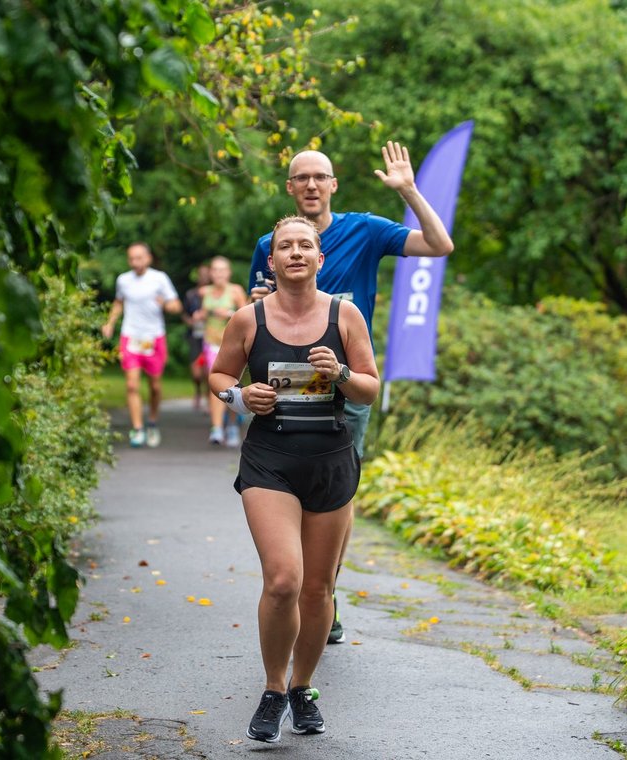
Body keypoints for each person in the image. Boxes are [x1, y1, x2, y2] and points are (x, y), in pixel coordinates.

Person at [248, 140, 454, 644]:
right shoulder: (269, 243)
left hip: (341, 380)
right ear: (291, 187)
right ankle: (296, 582)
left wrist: (409, 191)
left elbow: (439, 245)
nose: (312, 184)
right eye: (302, 178)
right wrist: (256, 300)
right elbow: (253, 308)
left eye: (321, 176)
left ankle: (322, 593)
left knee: (335, 485)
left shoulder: (365, 229)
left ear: (333, 185)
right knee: (284, 482)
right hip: (282, 384)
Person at [210, 216, 379, 743]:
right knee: (283, 580)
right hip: (270, 460)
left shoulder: (345, 315)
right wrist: (240, 398)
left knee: (316, 588)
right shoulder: (247, 318)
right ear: (273, 259)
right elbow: (218, 376)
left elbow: (370, 390)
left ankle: (303, 687)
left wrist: (343, 374)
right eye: (286, 246)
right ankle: (272, 688)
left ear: (320, 258)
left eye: (306, 245)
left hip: (331, 461)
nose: (296, 253)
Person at [101, 241, 182, 448]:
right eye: (131, 258)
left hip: (154, 337)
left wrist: (165, 304)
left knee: (155, 386)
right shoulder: (123, 280)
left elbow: (176, 305)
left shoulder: (159, 278)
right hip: (131, 336)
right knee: (131, 384)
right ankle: (137, 429)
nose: (135, 262)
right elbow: (119, 302)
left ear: (148, 258)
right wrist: (110, 323)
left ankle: (152, 422)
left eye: (139, 257)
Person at [193, 256, 248, 446]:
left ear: (229, 272)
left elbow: (247, 316)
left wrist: (229, 314)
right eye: (215, 270)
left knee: (231, 384)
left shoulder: (235, 291)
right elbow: (199, 315)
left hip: (232, 345)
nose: (219, 274)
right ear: (210, 273)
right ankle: (216, 429)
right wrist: (199, 315)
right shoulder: (204, 292)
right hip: (211, 343)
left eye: (222, 270)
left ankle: (232, 425)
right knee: (214, 383)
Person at [182, 263, 211, 412]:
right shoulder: (191, 294)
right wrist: (191, 322)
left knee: (208, 371)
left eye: (207, 274)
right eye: (202, 274)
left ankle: (207, 399)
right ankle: (198, 391)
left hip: (211, 336)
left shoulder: (214, 293)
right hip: (195, 336)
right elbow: (184, 314)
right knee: (196, 373)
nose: (204, 277)